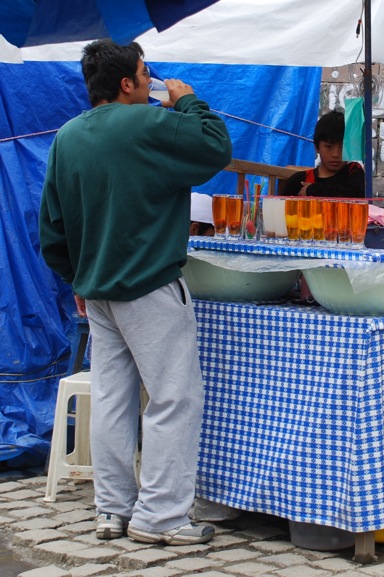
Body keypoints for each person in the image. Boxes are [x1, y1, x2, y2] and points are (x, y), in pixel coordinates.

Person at [38, 40, 232, 546]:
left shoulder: (66, 137)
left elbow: (52, 229)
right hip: (148, 285)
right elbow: (215, 146)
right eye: (146, 73)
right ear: (127, 83)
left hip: (97, 290)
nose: (152, 80)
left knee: (111, 399)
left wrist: (77, 278)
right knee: (173, 398)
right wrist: (187, 100)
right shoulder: (151, 123)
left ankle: (113, 510)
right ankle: (162, 517)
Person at [283, 110, 365, 197]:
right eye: (329, 147)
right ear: (316, 147)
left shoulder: (353, 171)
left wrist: (313, 190)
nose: (336, 154)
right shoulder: (298, 181)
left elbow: (357, 193)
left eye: (343, 147)